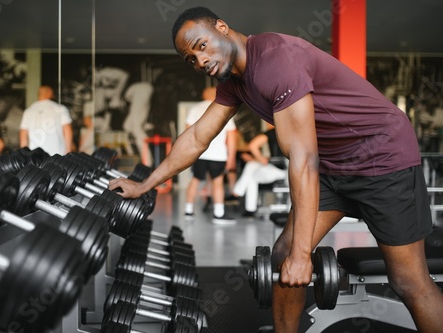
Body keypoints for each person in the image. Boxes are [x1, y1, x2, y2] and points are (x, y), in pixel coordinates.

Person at [109, 7, 443, 332]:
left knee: (408, 281)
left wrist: (304, 256)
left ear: (221, 27)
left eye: (201, 46)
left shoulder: (275, 60)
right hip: (334, 164)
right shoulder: (233, 81)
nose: (200, 61)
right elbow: (197, 136)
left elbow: (302, 157)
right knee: (283, 257)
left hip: (383, 156)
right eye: (191, 59)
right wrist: (144, 184)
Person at [184, 86, 237, 224]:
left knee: (195, 180)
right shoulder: (223, 110)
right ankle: (218, 214)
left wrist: (190, 153)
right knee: (217, 182)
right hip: (218, 154)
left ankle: (188, 211)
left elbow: (188, 133)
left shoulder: (195, 109)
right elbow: (231, 136)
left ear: (203, 94)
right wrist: (231, 157)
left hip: (199, 153)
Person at [233, 124, 287, 217]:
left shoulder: (273, 132)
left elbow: (253, 146)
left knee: (251, 172)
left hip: (278, 170)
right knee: (252, 167)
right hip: (286, 168)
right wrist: (260, 159)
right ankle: (239, 192)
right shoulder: (297, 133)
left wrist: (260, 159)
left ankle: (242, 196)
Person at [19, 85, 73, 156]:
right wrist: (68, 151)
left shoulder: (28, 111)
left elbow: (23, 133)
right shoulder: (60, 109)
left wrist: (25, 155)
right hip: (58, 155)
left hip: (35, 157)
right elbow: (67, 130)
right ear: (50, 93)